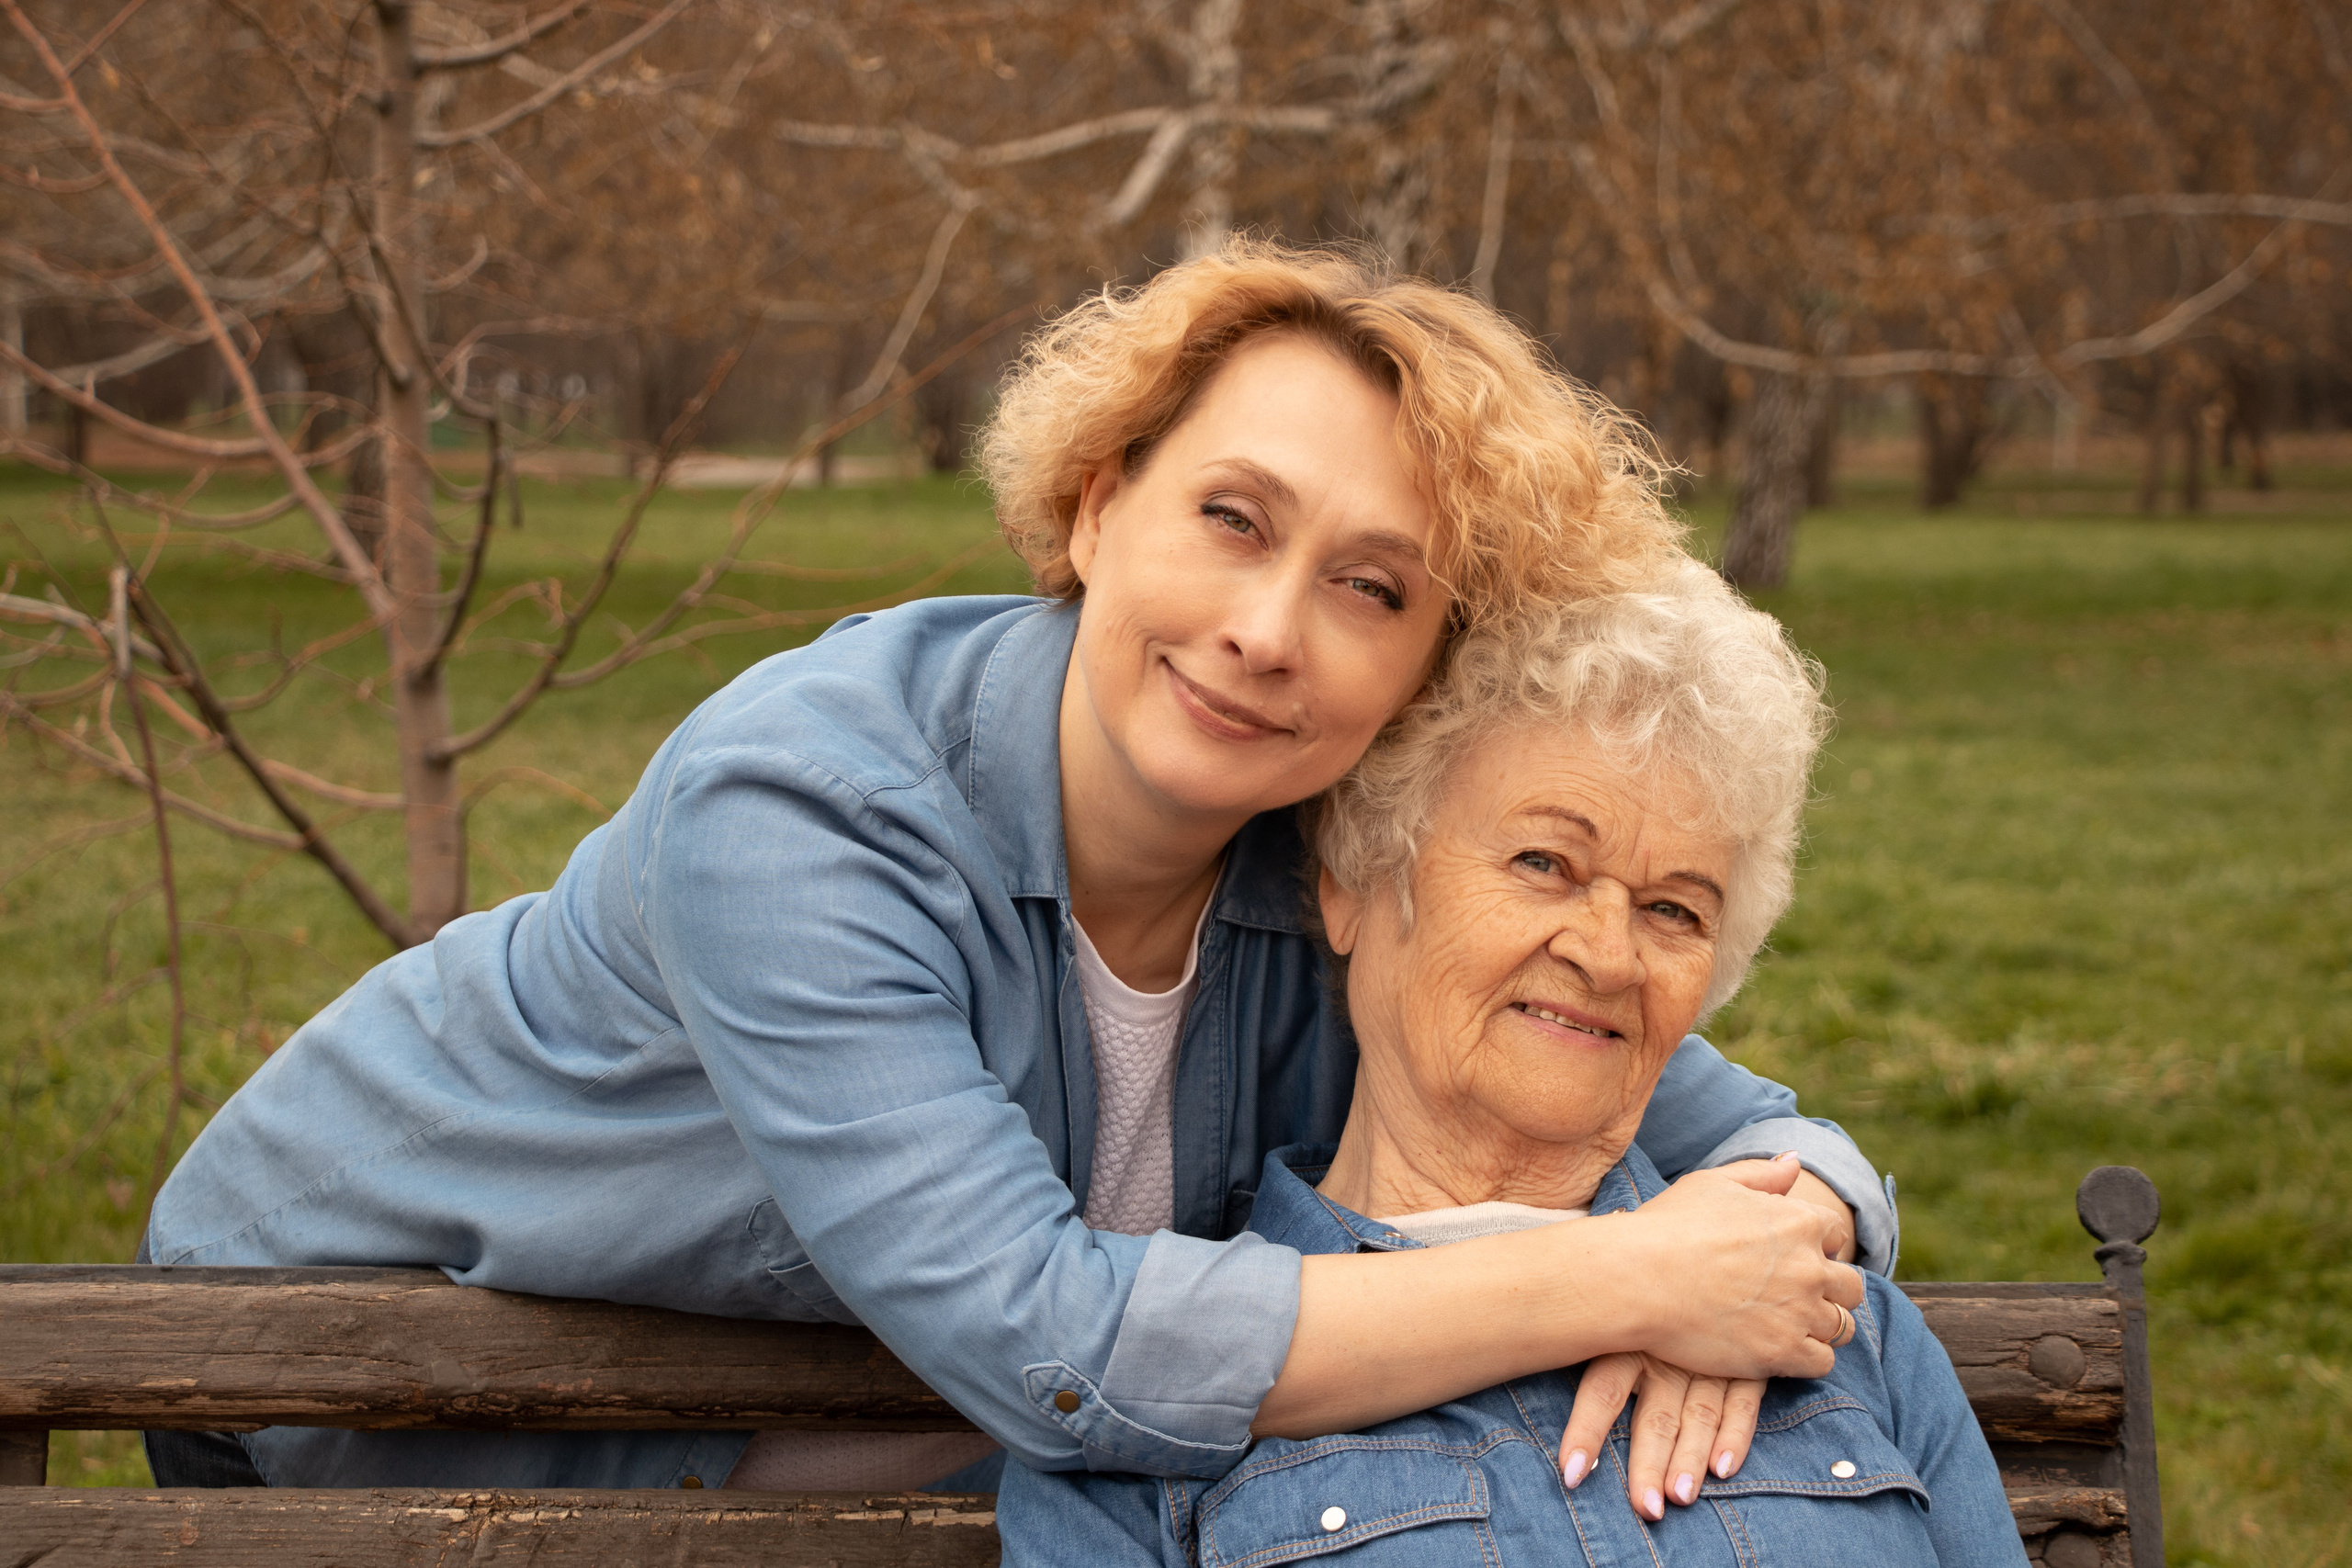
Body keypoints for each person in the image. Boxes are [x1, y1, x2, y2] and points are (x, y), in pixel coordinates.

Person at [143, 241, 1891, 1497]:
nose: (1267, 631)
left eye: (1371, 586)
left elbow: (1742, 1125)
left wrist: (1794, 1217)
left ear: (1426, 662)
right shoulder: (801, 804)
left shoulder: (1341, 850)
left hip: (831, 1439)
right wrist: (1633, 1280)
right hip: (363, 1374)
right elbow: (1058, 1344)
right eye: (1231, 518)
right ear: (1096, 502)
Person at [999, 563, 2021, 1565]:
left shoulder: (1838, 1332)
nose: (1609, 956)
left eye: (1674, 909)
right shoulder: (1155, 1427)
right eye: (1544, 863)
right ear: (1354, 883)